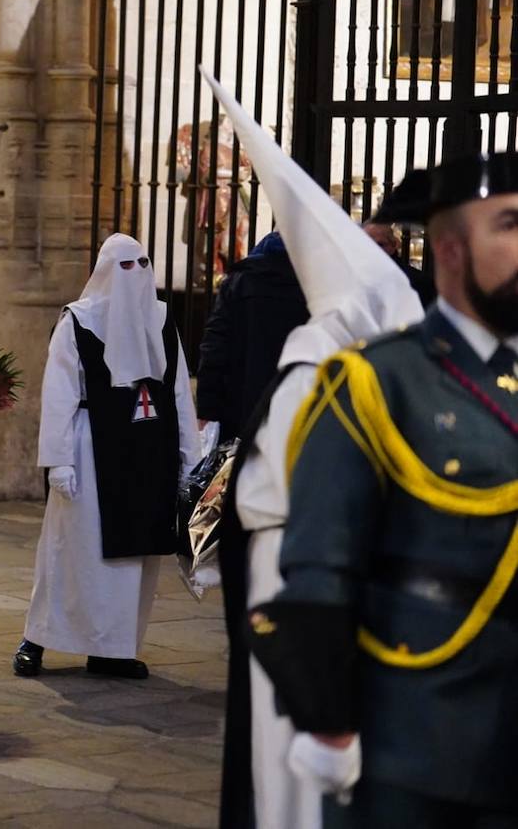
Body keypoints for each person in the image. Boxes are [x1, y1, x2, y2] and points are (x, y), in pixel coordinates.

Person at [248, 151, 518, 828]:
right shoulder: (376, 382)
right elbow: (319, 569)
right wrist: (331, 725)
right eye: (509, 225)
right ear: (451, 249)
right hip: (415, 729)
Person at [200, 73, 424, 829]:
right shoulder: (313, 368)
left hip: (345, 583)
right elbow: (283, 493)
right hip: (299, 585)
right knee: (295, 772)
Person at [13, 232, 199, 681]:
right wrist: (58, 460)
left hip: (148, 453)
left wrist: (188, 459)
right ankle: (35, 640)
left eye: (143, 264)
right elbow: (58, 392)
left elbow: (177, 391)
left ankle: (113, 649)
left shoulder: (160, 319)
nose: (135, 274)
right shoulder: (79, 321)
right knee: (73, 551)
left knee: (132, 559)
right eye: (125, 266)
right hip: (90, 451)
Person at [196, 230, 308, 443]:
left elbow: (215, 346)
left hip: (240, 404)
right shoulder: (311, 287)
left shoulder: (239, 282)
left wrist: (207, 408)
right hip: (296, 402)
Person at [362, 220, 437, 308]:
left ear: (394, 245)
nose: (373, 249)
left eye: (380, 244)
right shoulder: (354, 275)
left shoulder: (416, 282)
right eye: (367, 243)